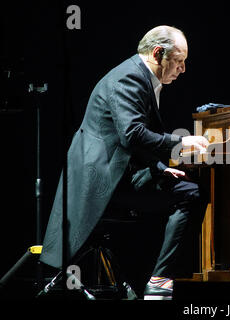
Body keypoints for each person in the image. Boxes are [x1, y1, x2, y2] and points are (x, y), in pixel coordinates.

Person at [40, 25, 209, 300]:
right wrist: (181, 143)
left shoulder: (139, 76)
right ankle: (159, 280)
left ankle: (153, 277)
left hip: (117, 173)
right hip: (103, 182)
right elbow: (132, 135)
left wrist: (160, 167)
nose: (183, 69)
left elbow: (124, 139)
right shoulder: (130, 78)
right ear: (158, 53)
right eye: (179, 61)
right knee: (190, 195)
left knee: (184, 187)